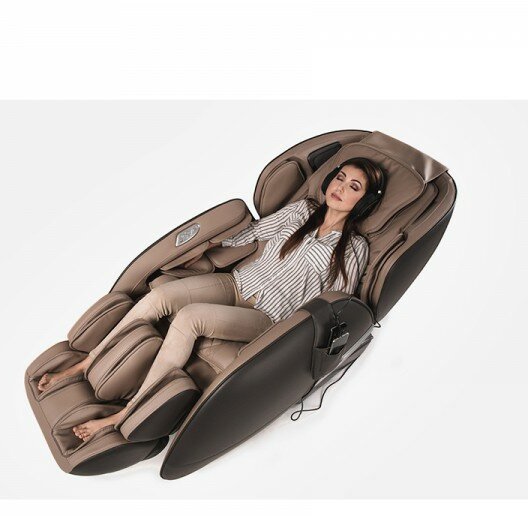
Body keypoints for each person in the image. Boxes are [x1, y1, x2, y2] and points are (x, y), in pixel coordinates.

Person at [37, 157, 386, 442]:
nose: (341, 188)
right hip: (237, 283)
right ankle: (85, 363)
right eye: (340, 178)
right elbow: (253, 232)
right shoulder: (300, 212)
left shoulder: (353, 248)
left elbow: (336, 302)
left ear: (365, 202)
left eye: (354, 187)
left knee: (189, 318)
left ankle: (127, 412)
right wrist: (205, 247)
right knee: (160, 296)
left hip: (269, 316)